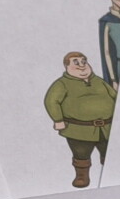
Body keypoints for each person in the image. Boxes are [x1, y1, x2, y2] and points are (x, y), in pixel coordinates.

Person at [44, 50, 116, 188]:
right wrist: (58, 120)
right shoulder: (62, 84)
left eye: (84, 61)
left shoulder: (99, 81)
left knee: (109, 153)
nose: (81, 65)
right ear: (67, 66)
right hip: (79, 130)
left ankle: (111, 175)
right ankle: (82, 176)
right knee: (81, 154)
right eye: (76, 62)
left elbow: (113, 95)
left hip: (106, 128)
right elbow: (51, 101)